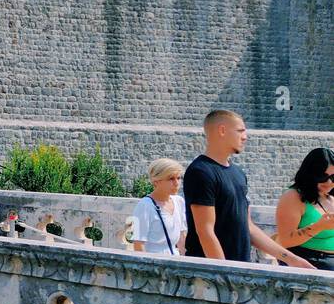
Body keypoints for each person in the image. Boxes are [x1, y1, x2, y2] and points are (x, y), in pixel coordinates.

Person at [183, 110, 312, 267]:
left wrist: (292, 259)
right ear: (222, 130)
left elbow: (248, 227)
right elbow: (205, 231)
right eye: (240, 131)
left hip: (239, 270)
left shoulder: (238, 173)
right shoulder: (201, 172)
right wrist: (224, 273)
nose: (245, 137)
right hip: (211, 275)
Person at [273, 147, 334, 269]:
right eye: (322, 177)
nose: (328, 182)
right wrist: (319, 227)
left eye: (333, 177)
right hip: (309, 260)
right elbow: (285, 241)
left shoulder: (330, 196)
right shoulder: (293, 197)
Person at [132, 158, 187, 256]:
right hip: (154, 263)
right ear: (156, 181)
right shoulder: (144, 206)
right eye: (171, 178)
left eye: (178, 178)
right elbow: (138, 244)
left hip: (175, 262)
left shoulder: (179, 201)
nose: (176, 183)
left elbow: (181, 238)